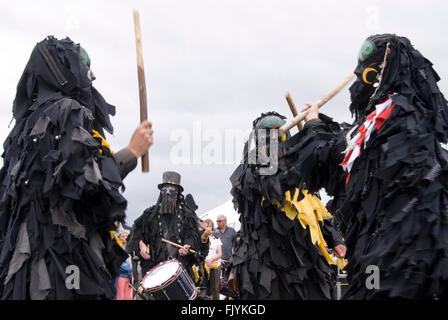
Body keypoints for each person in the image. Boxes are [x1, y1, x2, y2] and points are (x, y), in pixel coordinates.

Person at [290, 34, 448, 299]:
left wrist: (315, 125)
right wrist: (318, 124)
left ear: (381, 71)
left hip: (397, 253)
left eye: (367, 66)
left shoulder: (395, 113)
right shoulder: (402, 114)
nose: (357, 73)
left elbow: (344, 155)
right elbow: (352, 150)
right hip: (396, 250)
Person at [0, 36, 153, 300]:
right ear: (63, 71)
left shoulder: (20, 133)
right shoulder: (66, 112)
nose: (91, 77)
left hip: (24, 273)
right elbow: (88, 185)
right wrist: (132, 152)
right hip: (65, 264)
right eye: (82, 65)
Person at [230, 111, 346, 300]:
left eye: (280, 135)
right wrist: (312, 135)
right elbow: (274, 182)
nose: (275, 141)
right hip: (267, 264)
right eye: (269, 135)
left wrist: (335, 239)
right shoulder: (251, 170)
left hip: (306, 258)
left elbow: (314, 210)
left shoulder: (300, 174)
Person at [126, 171, 209, 295]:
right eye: (165, 189)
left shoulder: (187, 215)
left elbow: (193, 238)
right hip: (156, 271)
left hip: (181, 271)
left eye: (172, 189)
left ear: (178, 192)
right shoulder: (150, 215)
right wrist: (141, 244)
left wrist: (187, 246)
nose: (168, 192)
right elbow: (135, 234)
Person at [202, 219, 222, 300]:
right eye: (207, 226)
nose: (209, 228)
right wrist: (206, 262)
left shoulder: (216, 238)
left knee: (215, 289)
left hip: (215, 265)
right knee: (205, 288)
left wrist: (211, 260)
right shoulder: (201, 238)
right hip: (204, 266)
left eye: (210, 226)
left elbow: (220, 254)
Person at [215, 215, 237, 281]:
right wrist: (219, 258)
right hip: (219, 260)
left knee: (232, 279)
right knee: (221, 281)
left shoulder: (232, 230)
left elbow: (236, 242)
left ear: (225, 222)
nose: (217, 222)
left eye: (219, 221)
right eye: (217, 221)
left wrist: (234, 248)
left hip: (230, 259)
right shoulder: (215, 232)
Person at [115, 231, 133, 300]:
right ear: (119, 238)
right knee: (120, 296)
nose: (125, 238)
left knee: (129, 297)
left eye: (126, 236)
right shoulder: (117, 250)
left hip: (130, 276)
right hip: (121, 276)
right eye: (123, 236)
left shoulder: (132, 249)